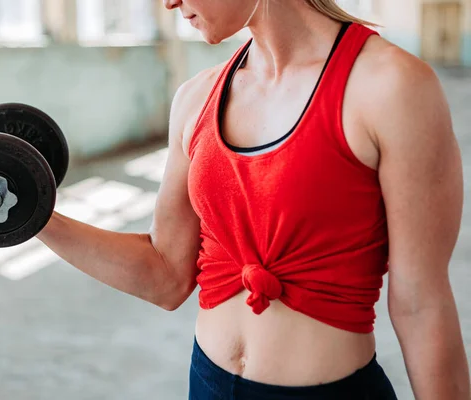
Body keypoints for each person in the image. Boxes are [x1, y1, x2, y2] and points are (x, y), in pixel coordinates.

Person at [37, 0, 470, 398]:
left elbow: (421, 304)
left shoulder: (391, 87)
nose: (168, 1)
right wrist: (37, 215)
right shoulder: (195, 98)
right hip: (207, 383)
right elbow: (164, 276)